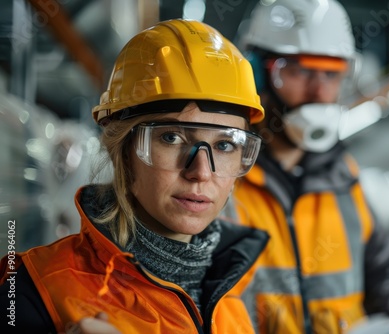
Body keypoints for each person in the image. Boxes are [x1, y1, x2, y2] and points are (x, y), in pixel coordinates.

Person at [0, 19, 269, 333]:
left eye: (225, 145)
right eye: (171, 138)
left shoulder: (237, 282)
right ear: (123, 150)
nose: (201, 172)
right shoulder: (29, 288)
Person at [224, 0, 389, 332]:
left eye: (332, 74)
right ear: (257, 73)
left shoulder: (344, 175)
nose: (320, 92)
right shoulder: (221, 179)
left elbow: (387, 269)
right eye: (300, 71)